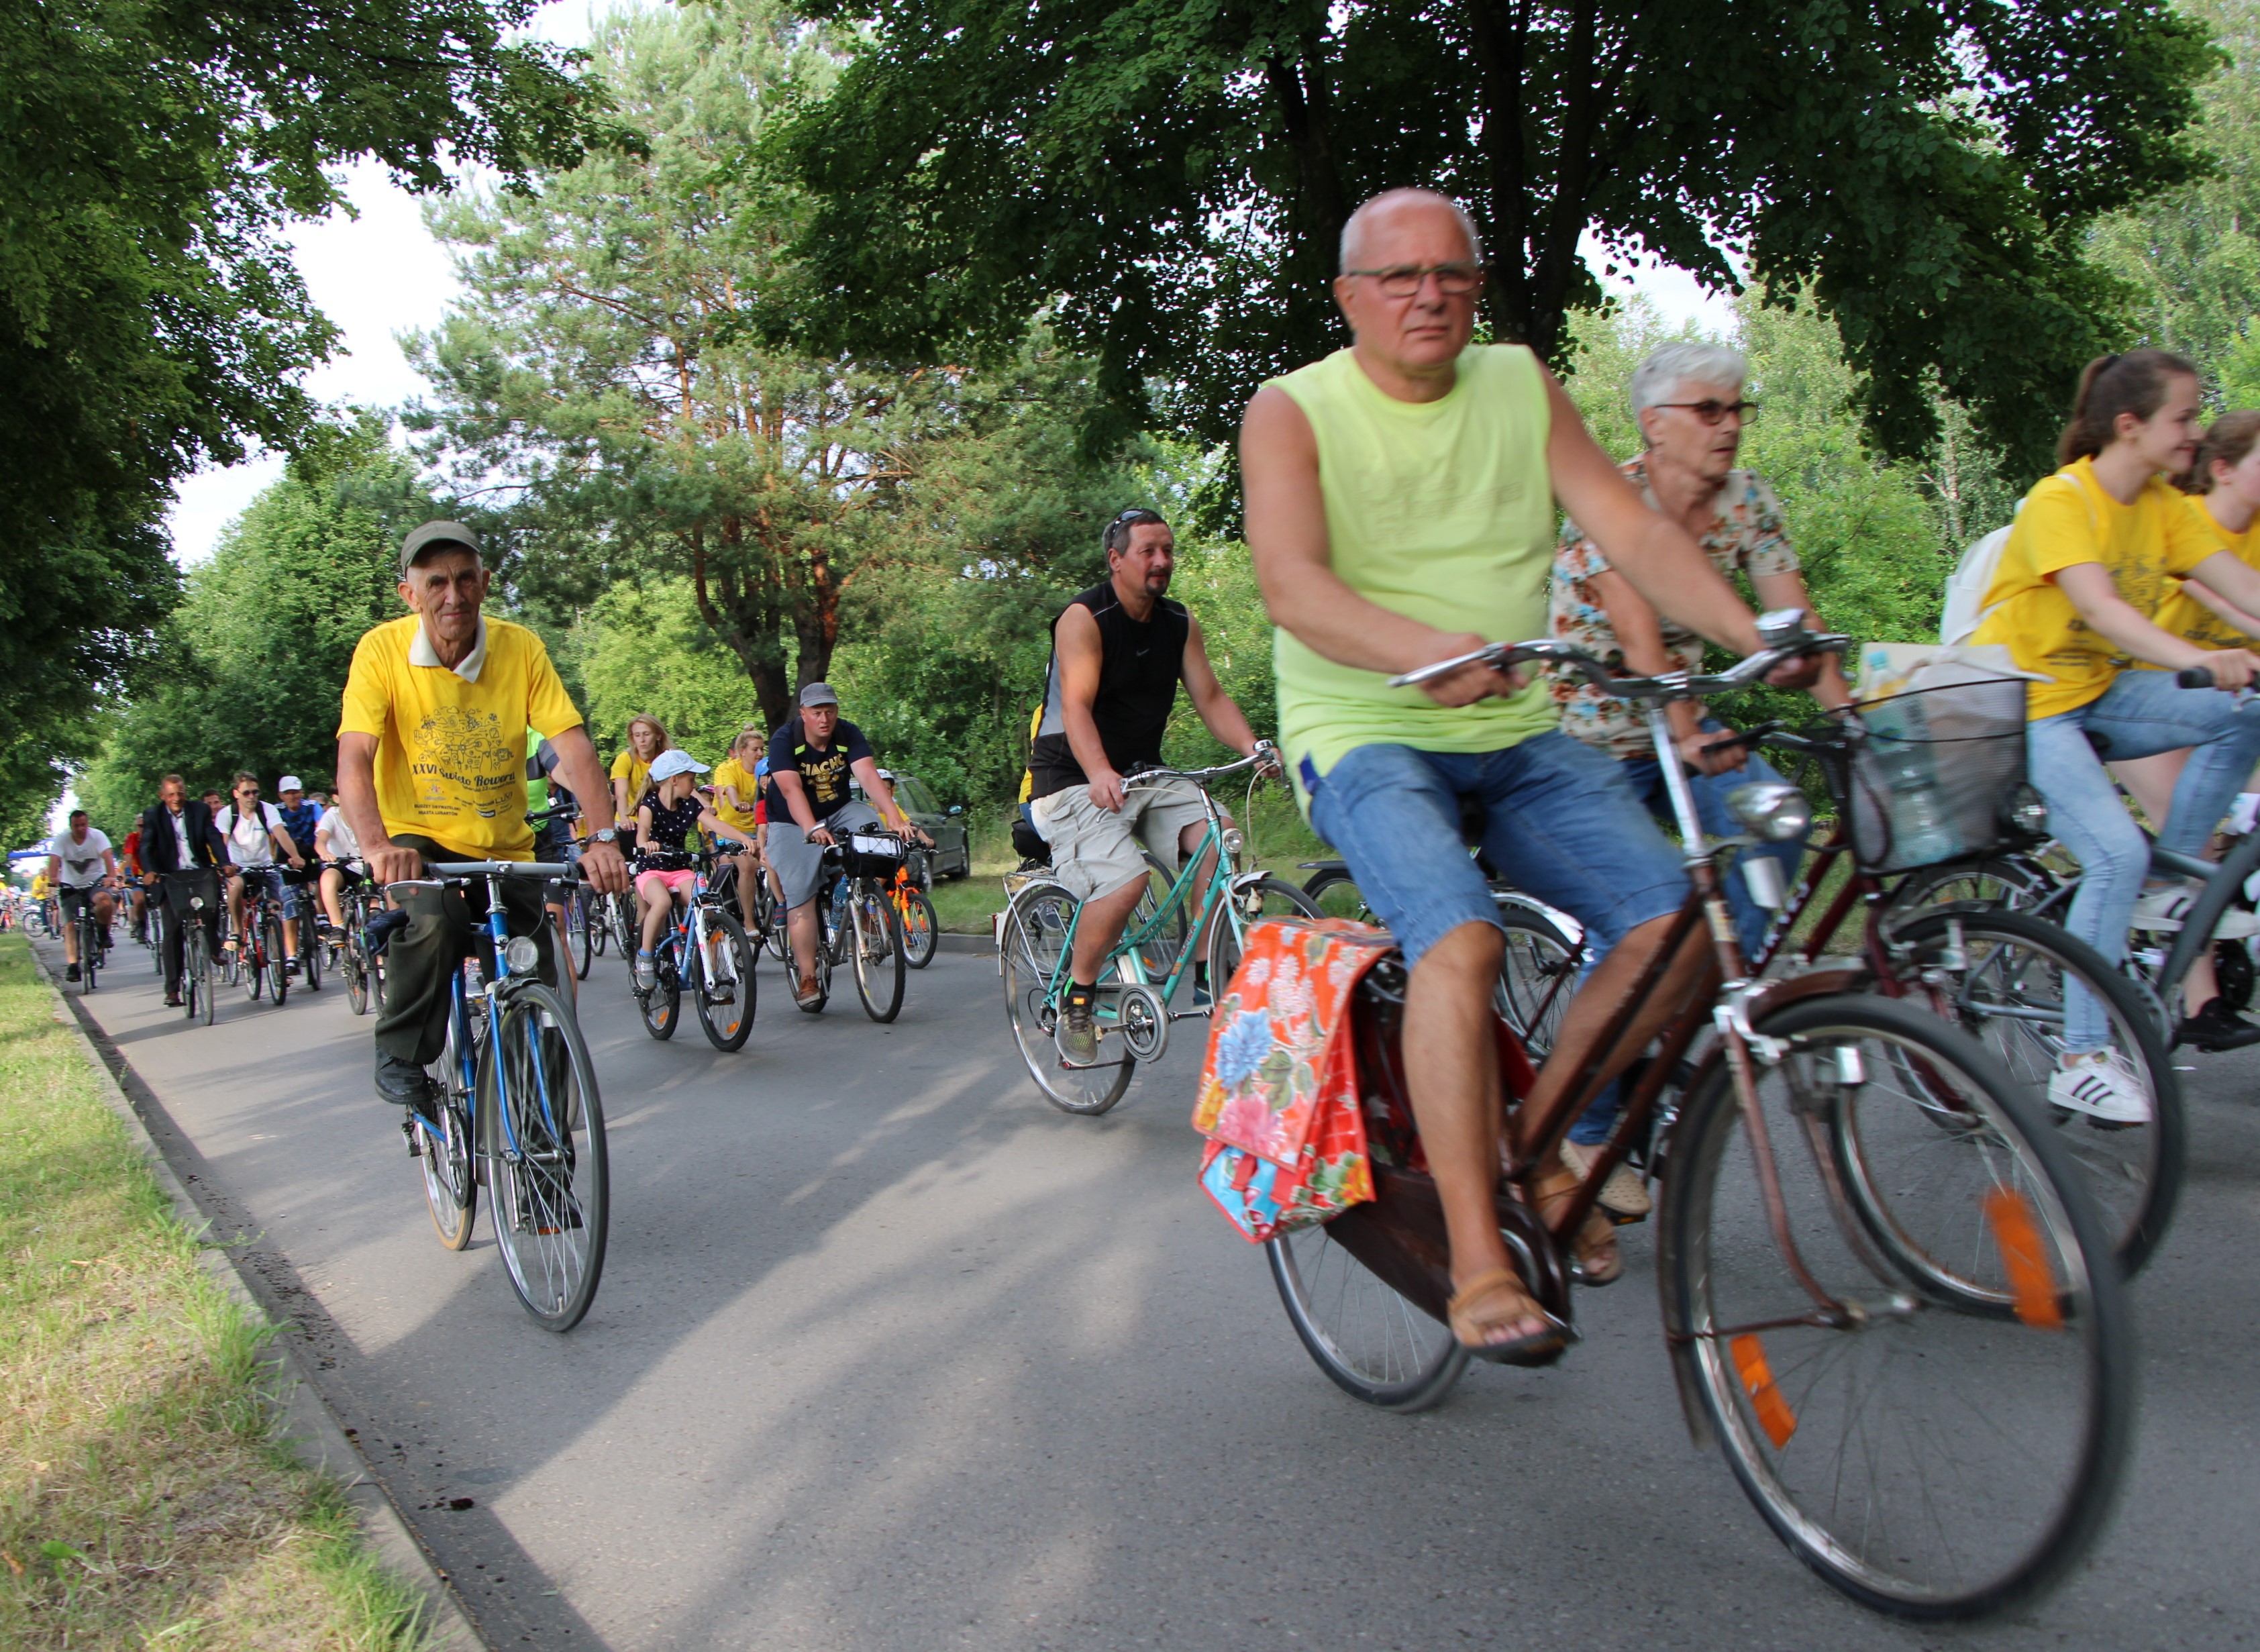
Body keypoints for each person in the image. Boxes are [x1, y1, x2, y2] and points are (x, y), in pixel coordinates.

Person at [1239, 187, 1812, 1363]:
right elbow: (1293, 587)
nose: (1426, 292)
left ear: (1475, 284)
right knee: (1460, 941)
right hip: (1364, 726)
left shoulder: (1515, 381)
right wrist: (1420, 653)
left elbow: (1636, 532)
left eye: (1449, 270)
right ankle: (1478, 1254)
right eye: (1396, 276)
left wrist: (1763, 637)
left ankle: (1530, 1142)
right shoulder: (1290, 410)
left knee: (1675, 919)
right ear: (1350, 296)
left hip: (1516, 720)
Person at [1550, 341, 1851, 1209]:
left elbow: (1792, 615)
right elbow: (1641, 634)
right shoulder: (1613, 501)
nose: (1729, 427)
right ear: (1654, 424)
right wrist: (1682, 725)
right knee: (1638, 919)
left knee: (1785, 819)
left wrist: (1851, 720)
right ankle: (1590, 1119)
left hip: (1687, 719)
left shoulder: (1748, 499)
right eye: (1708, 410)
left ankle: (1700, 1006)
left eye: (1736, 409)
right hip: (1597, 731)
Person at [1974, 351, 2260, 1076]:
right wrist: (2193, 662)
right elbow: (2098, 605)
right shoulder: (2061, 500)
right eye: (2184, 416)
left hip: (2097, 690)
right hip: (2026, 701)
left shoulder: (2162, 505)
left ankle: (2170, 888)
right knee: (2114, 854)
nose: (2195, 431)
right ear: (2128, 426)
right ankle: (2081, 1055)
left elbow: (2241, 586)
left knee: (2245, 711)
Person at [334, 521, 629, 1117]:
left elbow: (572, 745)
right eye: (436, 582)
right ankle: (401, 1053)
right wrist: (376, 846)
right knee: (435, 923)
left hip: (506, 846)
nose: (454, 595)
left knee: (541, 983)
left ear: (485, 583)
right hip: (418, 842)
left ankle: (544, 1153)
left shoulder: (519, 647)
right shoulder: (381, 651)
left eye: (466, 578)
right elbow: (355, 755)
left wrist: (601, 839)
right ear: (409, 594)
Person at [1027, 506, 1276, 1063]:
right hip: (1070, 779)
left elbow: (1210, 698)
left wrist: (1252, 748)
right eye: (1149, 551)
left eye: (1168, 551)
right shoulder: (1084, 619)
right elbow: (1077, 706)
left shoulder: (1179, 624)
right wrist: (1097, 772)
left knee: (1220, 836)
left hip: (1144, 772)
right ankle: (1080, 993)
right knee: (1126, 882)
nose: (1162, 561)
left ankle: (1210, 974)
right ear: (1116, 561)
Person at [766, 682, 931, 1007]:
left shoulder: (847, 733)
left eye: (830, 711)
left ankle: (862, 899)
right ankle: (808, 977)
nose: (824, 719)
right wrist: (810, 826)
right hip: (791, 818)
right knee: (801, 890)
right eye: (816, 713)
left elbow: (869, 776)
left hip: (839, 810)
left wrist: (894, 819)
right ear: (803, 714)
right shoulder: (785, 740)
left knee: (879, 842)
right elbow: (790, 790)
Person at [629, 748, 737, 991]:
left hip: (679, 869)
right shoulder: (649, 805)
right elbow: (642, 833)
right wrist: (645, 845)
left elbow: (717, 824)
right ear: (674, 779)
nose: (695, 783)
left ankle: (715, 968)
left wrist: (746, 840)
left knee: (706, 906)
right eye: (691, 778)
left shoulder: (689, 804)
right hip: (652, 870)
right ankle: (645, 957)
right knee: (662, 903)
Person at [138, 774, 235, 1007]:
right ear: (163, 796)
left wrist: (225, 862)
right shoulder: (153, 815)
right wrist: (150, 871)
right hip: (169, 876)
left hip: (198, 870)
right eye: (171, 794)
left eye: (180, 793)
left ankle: (212, 948)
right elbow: (146, 846)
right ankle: (172, 989)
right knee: (172, 931)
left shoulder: (199, 811)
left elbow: (213, 838)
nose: (177, 798)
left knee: (211, 906)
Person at [217, 773, 308, 974]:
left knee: (277, 908)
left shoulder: (267, 810)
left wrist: (294, 855)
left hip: (266, 866)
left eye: (255, 792)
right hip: (239, 868)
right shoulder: (227, 814)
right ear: (236, 794)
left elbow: (280, 833)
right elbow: (222, 842)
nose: (251, 796)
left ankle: (279, 962)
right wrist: (226, 865)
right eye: (246, 792)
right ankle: (237, 931)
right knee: (235, 887)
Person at [46, 809, 116, 980]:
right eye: (76, 826)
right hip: (71, 885)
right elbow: (54, 859)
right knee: (70, 925)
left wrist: (111, 876)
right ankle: (73, 966)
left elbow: (108, 856)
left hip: (94, 882)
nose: (80, 829)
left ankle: (102, 934)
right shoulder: (63, 839)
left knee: (105, 902)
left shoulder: (97, 836)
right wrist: (53, 878)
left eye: (83, 825)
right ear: (71, 826)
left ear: (88, 824)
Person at [709, 726, 768, 920]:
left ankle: (780, 908)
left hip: (758, 830)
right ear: (742, 752)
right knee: (747, 867)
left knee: (775, 862)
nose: (760, 753)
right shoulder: (729, 769)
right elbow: (730, 791)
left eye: (762, 749)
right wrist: (737, 804)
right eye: (755, 750)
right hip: (731, 832)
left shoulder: (766, 768)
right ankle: (749, 922)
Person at [314, 793, 364, 935]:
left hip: (367, 866)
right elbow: (321, 841)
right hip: (342, 865)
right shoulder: (332, 815)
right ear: (336, 798)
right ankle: (338, 927)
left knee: (376, 900)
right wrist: (325, 853)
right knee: (327, 880)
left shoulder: (369, 813)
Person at [610, 713, 670, 830]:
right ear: (633, 738)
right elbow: (621, 794)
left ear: (658, 736)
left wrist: (704, 805)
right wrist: (624, 818)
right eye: (637, 735)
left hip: (659, 822)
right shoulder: (625, 759)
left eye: (647, 734)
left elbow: (685, 786)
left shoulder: (668, 758)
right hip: (631, 821)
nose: (642, 740)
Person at [118, 823, 148, 943]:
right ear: (136, 827)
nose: (143, 828)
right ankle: (141, 925)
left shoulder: (156, 834)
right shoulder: (132, 838)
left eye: (145, 825)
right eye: (140, 826)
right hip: (138, 875)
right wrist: (128, 873)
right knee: (139, 900)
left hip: (155, 873)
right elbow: (129, 856)